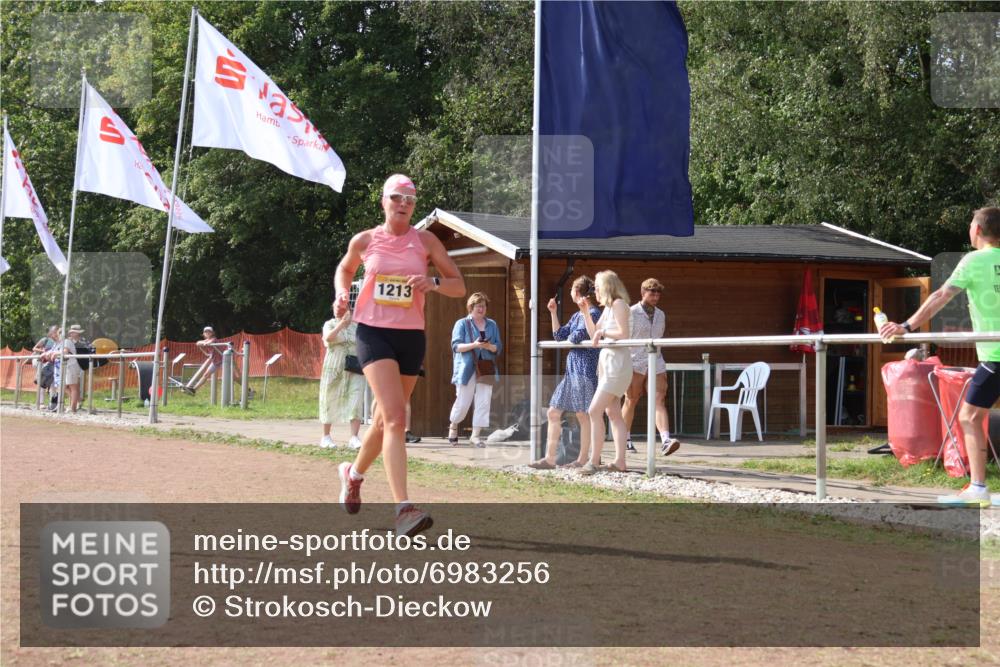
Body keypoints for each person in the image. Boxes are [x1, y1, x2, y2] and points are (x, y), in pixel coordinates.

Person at [334, 174, 465, 537]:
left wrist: (433, 283)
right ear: (383, 201)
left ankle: (353, 473)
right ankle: (403, 509)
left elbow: (459, 285)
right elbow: (344, 269)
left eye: (410, 198)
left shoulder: (425, 241)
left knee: (382, 422)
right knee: (395, 419)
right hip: (373, 333)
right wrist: (341, 294)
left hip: (410, 337)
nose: (404, 203)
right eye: (397, 197)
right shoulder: (365, 240)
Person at [879, 206, 1000, 506]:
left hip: (996, 356)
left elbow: (940, 296)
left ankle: (979, 487)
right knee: (973, 415)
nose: (969, 229)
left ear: (979, 230)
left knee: (970, 416)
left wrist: (907, 326)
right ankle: (979, 487)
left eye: (971, 224)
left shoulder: (973, 261)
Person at [528, 276, 601, 469]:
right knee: (553, 411)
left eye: (571, 291)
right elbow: (560, 335)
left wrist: (571, 336)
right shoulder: (578, 315)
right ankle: (549, 459)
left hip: (585, 368)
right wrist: (552, 313)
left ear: (577, 293)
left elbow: (577, 337)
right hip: (572, 370)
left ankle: (582, 459)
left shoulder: (592, 313)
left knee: (582, 414)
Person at [578, 270, 633, 475]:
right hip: (608, 363)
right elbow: (594, 334)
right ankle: (620, 461)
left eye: (597, 287)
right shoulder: (608, 308)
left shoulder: (618, 304)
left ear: (607, 287)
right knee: (613, 413)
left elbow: (623, 334)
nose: (595, 292)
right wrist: (585, 313)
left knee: (594, 411)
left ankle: (593, 461)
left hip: (617, 364)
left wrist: (603, 332)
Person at [622, 278, 681, 456]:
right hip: (635, 361)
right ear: (643, 293)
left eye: (657, 293)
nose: (655, 296)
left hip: (656, 360)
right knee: (631, 399)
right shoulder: (631, 312)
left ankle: (665, 440)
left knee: (659, 399)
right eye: (651, 292)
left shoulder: (661, 314)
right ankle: (624, 439)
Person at [447, 292, 501, 447]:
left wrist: (489, 346)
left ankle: (475, 435)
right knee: (463, 402)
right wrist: (475, 345)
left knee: (483, 401)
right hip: (466, 368)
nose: (481, 309)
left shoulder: (492, 324)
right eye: (478, 306)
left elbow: (498, 347)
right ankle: (454, 425)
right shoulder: (462, 323)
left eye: (484, 306)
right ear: (471, 307)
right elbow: (456, 346)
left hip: (485, 367)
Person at [319, 306, 364, 450]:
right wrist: (341, 325)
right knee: (329, 397)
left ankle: (354, 437)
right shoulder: (329, 324)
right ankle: (326, 436)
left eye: (342, 308)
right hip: (334, 365)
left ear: (349, 311)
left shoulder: (357, 326)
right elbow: (328, 338)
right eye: (336, 307)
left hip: (354, 366)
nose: (339, 310)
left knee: (356, 398)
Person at [43, 324, 83, 412]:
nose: (56, 335)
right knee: (62, 387)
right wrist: (46, 353)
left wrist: (54, 354)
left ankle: (73, 408)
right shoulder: (58, 343)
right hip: (63, 367)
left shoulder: (67, 341)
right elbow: (52, 351)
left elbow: (65, 351)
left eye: (58, 333)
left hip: (71, 366)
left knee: (73, 387)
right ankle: (74, 401)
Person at [182, 326, 223, 395]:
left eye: (209, 331)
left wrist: (206, 343)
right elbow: (198, 343)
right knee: (206, 375)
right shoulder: (205, 340)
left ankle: (246, 389)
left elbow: (210, 342)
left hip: (223, 360)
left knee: (233, 376)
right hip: (215, 361)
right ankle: (194, 390)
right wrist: (204, 343)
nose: (207, 333)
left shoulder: (214, 339)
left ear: (212, 333)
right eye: (206, 332)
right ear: (203, 334)